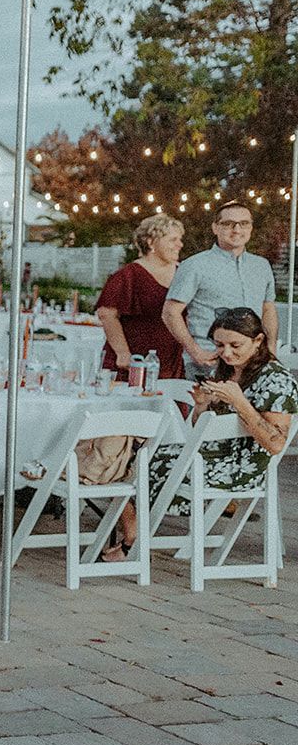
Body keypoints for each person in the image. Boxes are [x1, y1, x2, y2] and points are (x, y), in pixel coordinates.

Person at [100, 306, 296, 560]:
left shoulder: (276, 380)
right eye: (219, 345)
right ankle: (133, 534)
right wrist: (202, 404)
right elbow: (203, 427)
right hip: (210, 452)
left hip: (241, 467)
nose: (226, 353)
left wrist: (240, 402)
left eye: (235, 345)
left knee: (139, 461)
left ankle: (132, 541)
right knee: (125, 453)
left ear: (258, 341)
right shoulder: (228, 369)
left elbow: (276, 443)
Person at [164, 202, 279, 379]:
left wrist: (270, 350)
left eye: (244, 223)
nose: (237, 229)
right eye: (228, 224)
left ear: (251, 227)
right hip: (211, 360)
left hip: (255, 363)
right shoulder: (194, 265)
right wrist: (195, 351)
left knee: (255, 408)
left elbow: (268, 309)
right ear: (215, 227)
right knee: (208, 407)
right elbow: (170, 313)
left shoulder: (261, 266)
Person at [96, 213, 184, 380]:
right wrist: (123, 352)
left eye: (180, 239)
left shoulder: (184, 273)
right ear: (151, 241)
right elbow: (107, 314)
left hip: (172, 362)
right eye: (173, 240)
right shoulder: (128, 275)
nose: (179, 245)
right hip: (134, 362)